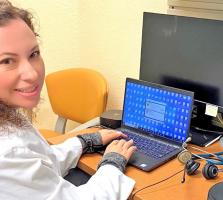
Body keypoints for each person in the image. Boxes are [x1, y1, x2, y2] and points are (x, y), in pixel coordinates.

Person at [0, 1, 136, 199]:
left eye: (33, 54)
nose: (31, 73)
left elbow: (42, 163)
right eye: (6, 61)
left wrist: (86, 141)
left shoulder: (7, 115)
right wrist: (113, 162)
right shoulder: (8, 153)